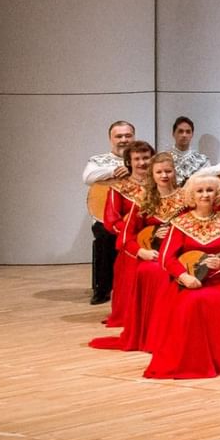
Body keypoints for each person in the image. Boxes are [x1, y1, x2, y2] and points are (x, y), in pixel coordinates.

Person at [144, 176, 220, 380]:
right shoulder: (180, 223)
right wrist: (184, 277)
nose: (205, 195)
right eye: (200, 191)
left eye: (210, 190)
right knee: (192, 301)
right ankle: (193, 362)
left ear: (217, 194)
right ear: (192, 195)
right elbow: (167, 257)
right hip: (190, 282)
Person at [89, 153, 185, 354]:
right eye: (159, 172)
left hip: (180, 255)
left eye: (168, 171)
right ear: (152, 174)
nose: (164, 176)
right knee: (152, 271)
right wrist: (142, 251)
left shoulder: (186, 198)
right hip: (153, 255)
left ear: (175, 172)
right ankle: (155, 334)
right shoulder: (142, 201)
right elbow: (126, 237)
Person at [95, 139, 155, 326]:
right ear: (129, 162)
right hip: (132, 244)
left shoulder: (160, 186)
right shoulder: (119, 189)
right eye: (137, 158)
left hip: (158, 242)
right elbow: (111, 221)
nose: (142, 162)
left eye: (146, 158)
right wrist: (137, 235)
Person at [81, 121, 139, 304]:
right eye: (119, 136)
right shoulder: (98, 160)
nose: (124, 140)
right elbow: (88, 177)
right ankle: (103, 290)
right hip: (106, 219)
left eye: (127, 136)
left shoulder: (140, 157)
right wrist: (113, 171)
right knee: (105, 237)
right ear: (110, 139)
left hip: (136, 217)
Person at [166, 116, 212, 186]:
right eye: (180, 131)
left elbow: (207, 184)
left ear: (192, 135)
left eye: (188, 132)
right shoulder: (164, 159)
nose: (184, 135)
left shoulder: (203, 161)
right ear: (173, 134)